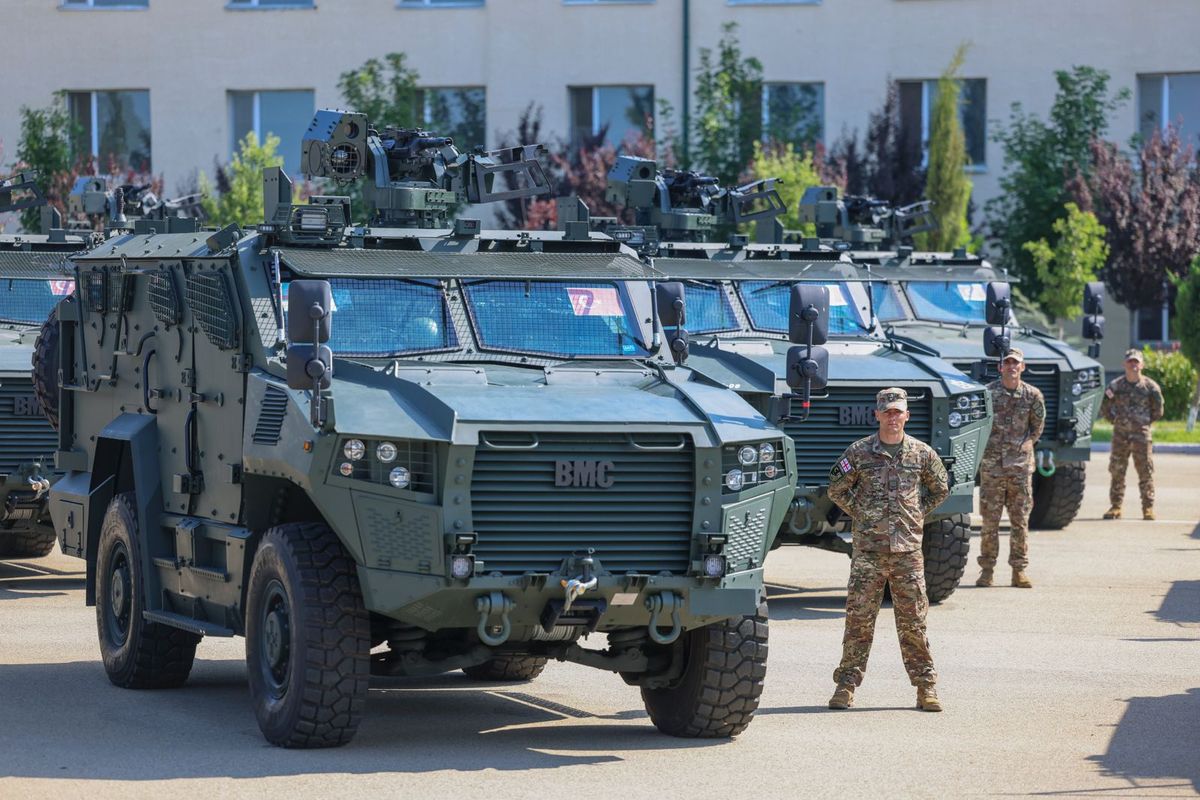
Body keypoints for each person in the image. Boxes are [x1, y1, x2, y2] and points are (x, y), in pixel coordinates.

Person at [826, 387, 950, 712]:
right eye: (887, 412)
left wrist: (915, 513)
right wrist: (864, 513)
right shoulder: (858, 452)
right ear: (877, 415)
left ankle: (926, 688)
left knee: (913, 622)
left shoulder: (921, 454)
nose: (893, 418)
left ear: (907, 415)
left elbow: (940, 488)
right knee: (859, 621)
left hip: (908, 553)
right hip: (868, 553)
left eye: (898, 412)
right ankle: (846, 686)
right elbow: (836, 487)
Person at [976, 347, 1045, 589]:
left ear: (1023, 367)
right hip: (992, 469)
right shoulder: (988, 394)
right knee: (989, 523)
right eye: (1007, 363)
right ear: (1000, 367)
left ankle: (1019, 570)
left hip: (1020, 469)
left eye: (1016, 363)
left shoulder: (1033, 396)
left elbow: (1037, 428)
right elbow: (980, 426)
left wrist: (1022, 448)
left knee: (1020, 522)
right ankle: (987, 571)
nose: (1012, 367)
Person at [1100, 349, 1164, 521]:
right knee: (1117, 471)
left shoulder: (1150, 387)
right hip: (1120, 435)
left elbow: (1158, 410)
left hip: (1141, 436)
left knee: (1145, 471)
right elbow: (1104, 406)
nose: (1133, 365)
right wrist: (1115, 421)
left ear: (1142, 365)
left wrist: (1143, 422)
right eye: (1130, 362)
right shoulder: (1116, 386)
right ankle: (1116, 507)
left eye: (1136, 362)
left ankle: (1148, 508)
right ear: (1124, 364)